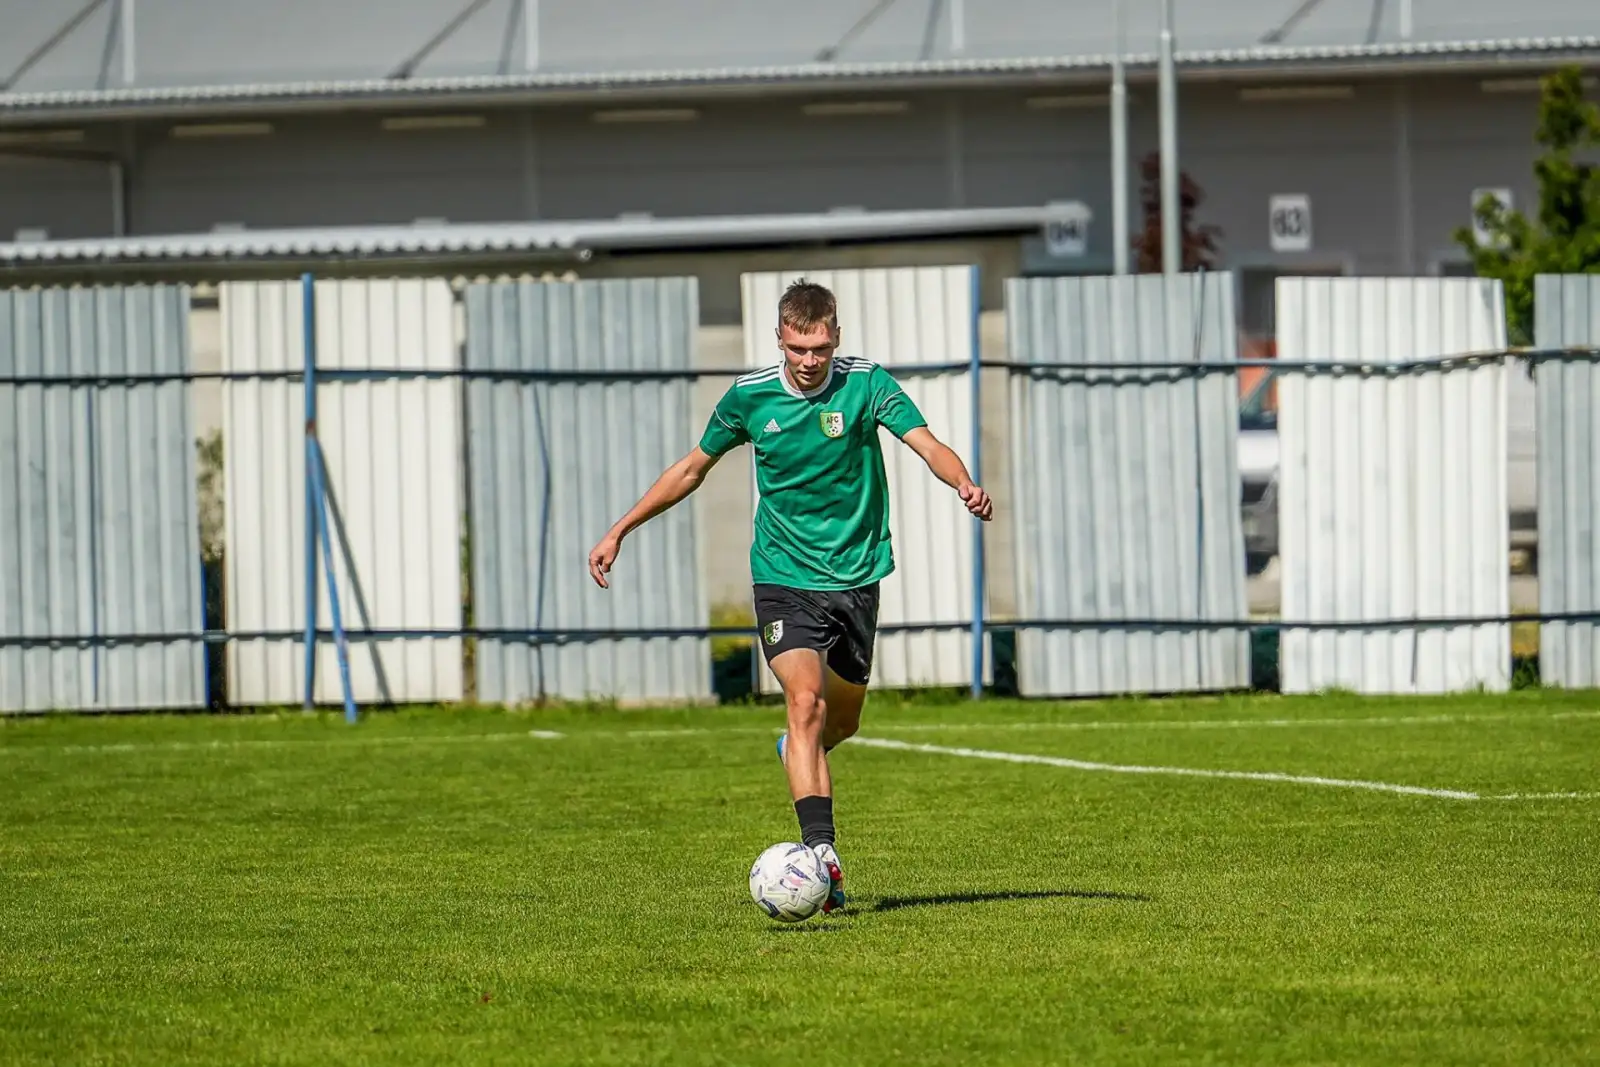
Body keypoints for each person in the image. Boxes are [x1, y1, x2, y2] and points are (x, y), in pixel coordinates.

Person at [587, 278, 992, 913]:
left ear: (837, 339)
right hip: (783, 578)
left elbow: (926, 443)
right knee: (804, 703)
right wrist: (620, 528)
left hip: (857, 578)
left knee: (842, 720)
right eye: (800, 348)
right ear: (780, 338)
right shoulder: (749, 397)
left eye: (822, 348)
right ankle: (823, 859)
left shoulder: (866, 383)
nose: (811, 361)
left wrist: (963, 483)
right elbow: (692, 468)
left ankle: (799, 755)